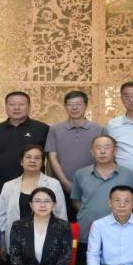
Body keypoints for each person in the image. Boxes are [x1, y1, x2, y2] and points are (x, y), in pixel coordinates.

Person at [70, 135, 133, 265]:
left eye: (107, 147)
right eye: (98, 147)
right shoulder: (81, 174)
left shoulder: (128, 175)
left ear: (115, 150)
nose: (102, 151)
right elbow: (76, 201)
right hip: (87, 232)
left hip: (120, 235)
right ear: (92, 151)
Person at [0, 145, 66, 265]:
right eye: (28, 157)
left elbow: (61, 215)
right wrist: (2, 242)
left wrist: (60, 241)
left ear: (42, 162)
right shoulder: (9, 186)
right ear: (21, 162)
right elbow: (1, 217)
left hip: (46, 243)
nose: (32, 160)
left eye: (37, 158)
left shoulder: (53, 184)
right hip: (16, 243)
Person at [46, 90, 107, 220]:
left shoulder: (99, 129)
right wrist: (65, 182)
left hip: (92, 187)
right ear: (65, 107)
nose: (74, 108)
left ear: (86, 106)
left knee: (90, 222)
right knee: (63, 223)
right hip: (62, 187)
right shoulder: (55, 129)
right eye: (70, 104)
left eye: (78, 104)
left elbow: (105, 158)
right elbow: (52, 157)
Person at [0, 91, 49, 200]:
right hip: (3, 186)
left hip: (35, 186)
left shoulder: (42, 128)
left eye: (21, 104)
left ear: (29, 107)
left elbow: (50, 159)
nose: (16, 108)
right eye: (12, 104)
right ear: (6, 106)